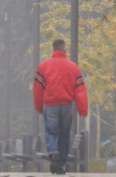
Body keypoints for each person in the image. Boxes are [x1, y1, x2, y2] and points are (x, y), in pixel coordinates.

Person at [33, 38, 89, 175]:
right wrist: (83, 109)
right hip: (66, 106)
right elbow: (80, 90)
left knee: (51, 132)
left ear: (53, 49)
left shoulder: (44, 66)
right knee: (64, 135)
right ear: (65, 50)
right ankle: (60, 165)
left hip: (51, 105)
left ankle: (53, 153)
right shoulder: (73, 67)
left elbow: (38, 89)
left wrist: (39, 106)